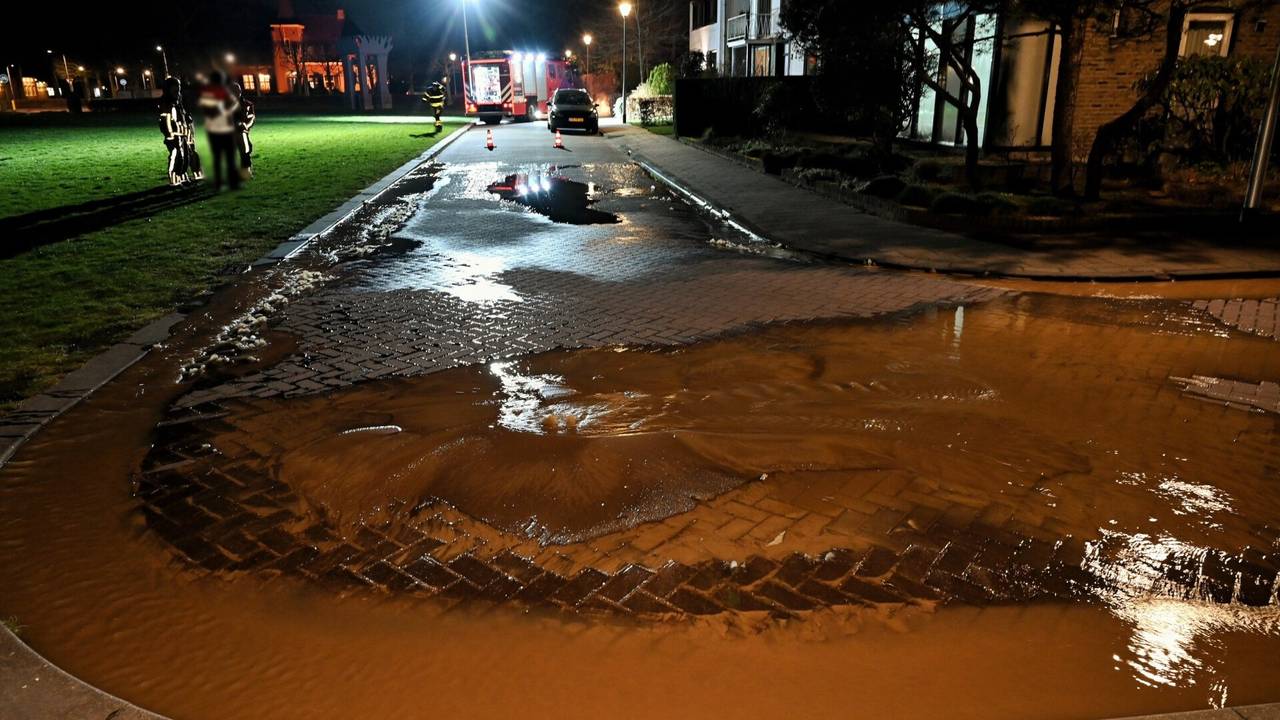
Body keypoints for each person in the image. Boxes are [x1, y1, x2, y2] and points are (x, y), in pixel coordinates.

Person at [198, 70, 242, 191]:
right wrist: (224, 109)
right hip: (218, 129)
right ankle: (225, 183)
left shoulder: (219, 92)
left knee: (224, 157)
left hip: (220, 129)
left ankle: (226, 183)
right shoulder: (211, 93)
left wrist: (224, 108)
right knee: (224, 157)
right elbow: (211, 111)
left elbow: (233, 104)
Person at [157, 77, 189, 187]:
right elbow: (165, 120)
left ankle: (183, 176)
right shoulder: (166, 103)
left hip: (181, 134)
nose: (178, 89)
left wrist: (187, 123)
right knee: (176, 156)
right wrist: (169, 134)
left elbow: (183, 116)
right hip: (173, 136)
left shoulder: (178, 101)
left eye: (178, 86)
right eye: (175, 86)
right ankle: (174, 178)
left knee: (185, 156)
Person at [231, 83, 256, 178]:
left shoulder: (247, 104)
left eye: (237, 91)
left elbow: (252, 118)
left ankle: (246, 171)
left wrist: (246, 126)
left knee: (246, 151)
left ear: (240, 91)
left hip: (242, 132)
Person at [181, 101, 204, 182]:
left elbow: (191, 127)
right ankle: (195, 173)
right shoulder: (183, 116)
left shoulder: (186, 115)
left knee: (194, 155)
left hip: (190, 138)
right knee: (192, 155)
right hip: (188, 139)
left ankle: (197, 172)